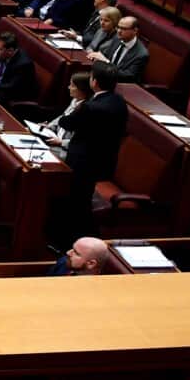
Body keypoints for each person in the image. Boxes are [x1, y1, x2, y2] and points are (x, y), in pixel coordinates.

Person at [56, 61, 128, 245]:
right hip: (104, 161)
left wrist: (76, 107)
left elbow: (66, 123)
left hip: (82, 163)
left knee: (76, 203)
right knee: (81, 202)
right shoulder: (119, 102)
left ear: (94, 82)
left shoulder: (90, 107)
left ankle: (70, 240)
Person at [39, 71, 93, 160]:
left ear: (82, 89)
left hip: (64, 151)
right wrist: (48, 126)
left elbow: (81, 141)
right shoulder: (74, 101)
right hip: (54, 140)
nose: (69, 87)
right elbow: (62, 117)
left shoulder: (86, 110)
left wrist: (61, 142)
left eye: (72, 85)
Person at [87, 16, 149, 83]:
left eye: (123, 29)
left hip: (121, 84)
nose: (119, 31)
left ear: (135, 30)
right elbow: (106, 55)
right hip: (104, 78)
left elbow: (128, 77)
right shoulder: (117, 38)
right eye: (118, 27)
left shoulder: (141, 54)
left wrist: (106, 62)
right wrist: (96, 57)